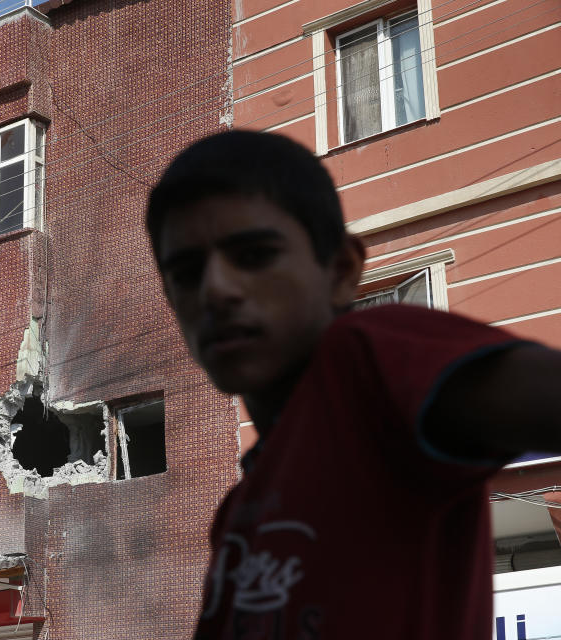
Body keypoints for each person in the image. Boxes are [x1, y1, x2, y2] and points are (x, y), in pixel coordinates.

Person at [145, 130, 561, 639]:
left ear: (342, 270)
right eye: (185, 275)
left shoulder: (366, 361)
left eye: (254, 255)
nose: (216, 290)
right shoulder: (240, 512)